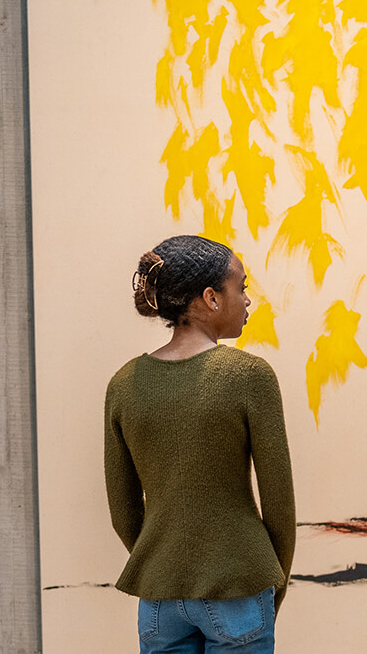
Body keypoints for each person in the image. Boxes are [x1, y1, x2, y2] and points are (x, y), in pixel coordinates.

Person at [104, 235, 294, 654]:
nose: (247, 300)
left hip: (158, 599)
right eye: (241, 288)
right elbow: (279, 504)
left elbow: (123, 511)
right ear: (210, 297)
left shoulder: (123, 384)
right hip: (240, 586)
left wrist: (162, 563)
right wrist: (273, 583)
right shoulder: (250, 375)